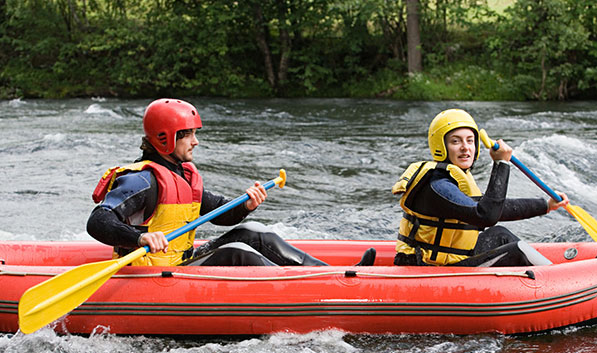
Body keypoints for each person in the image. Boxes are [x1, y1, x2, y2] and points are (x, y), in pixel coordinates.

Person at [87, 98, 375, 267]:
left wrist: (245, 205)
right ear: (166, 137)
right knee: (236, 253)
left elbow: (218, 212)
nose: (196, 141)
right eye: (188, 135)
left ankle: (331, 276)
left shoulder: (183, 175)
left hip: (181, 261)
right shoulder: (141, 180)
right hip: (153, 275)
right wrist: (140, 237)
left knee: (253, 233)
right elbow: (98, 220)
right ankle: (309, 290)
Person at [392, 108, 569, 267]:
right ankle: (558, 282)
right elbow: (487, 215)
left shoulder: (452, 179)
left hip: (449, 261)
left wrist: (545, 205)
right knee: (518, 250)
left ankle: (554, 276)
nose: (465, 148)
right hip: (427, 269)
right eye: (456, 141)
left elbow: (496, 208)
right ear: (440, 145)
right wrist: (501, 164)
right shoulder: (438, 185)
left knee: (500, 234)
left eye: (470, 141)